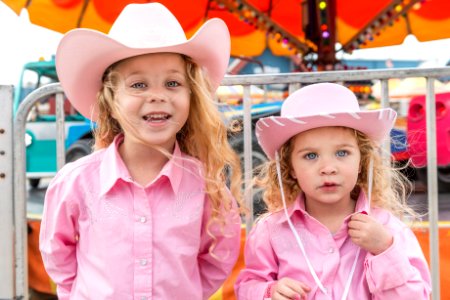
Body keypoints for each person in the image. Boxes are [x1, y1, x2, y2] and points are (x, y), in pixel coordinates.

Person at [39, 3, 243, 299]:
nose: (157, 96)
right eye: (138, 84)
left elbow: (219, 255)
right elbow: (57, 253)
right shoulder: (75, 182)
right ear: (111, 100)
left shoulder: (206, 185)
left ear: (191, 96)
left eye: (173, 83)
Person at [235, 83, 431, 299]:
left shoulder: (388, 230)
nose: (328, 168)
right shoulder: (270, 231)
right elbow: (247, 286)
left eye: (342, 153)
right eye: (310, 156)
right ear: (290, 168)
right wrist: (268, 292)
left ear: (361, 162)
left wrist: (384, 250)